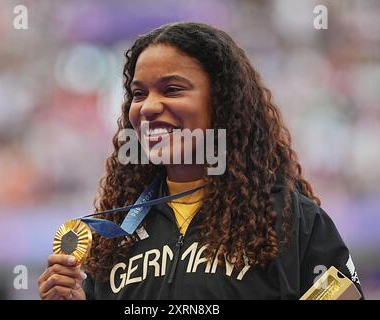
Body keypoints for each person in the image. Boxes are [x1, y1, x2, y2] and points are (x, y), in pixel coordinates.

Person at [38, 22, 363, 300]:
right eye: (139, 94)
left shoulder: (289, 219)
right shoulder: (114, 237)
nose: (148, 107)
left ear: (222, 102)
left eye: (172, 89)